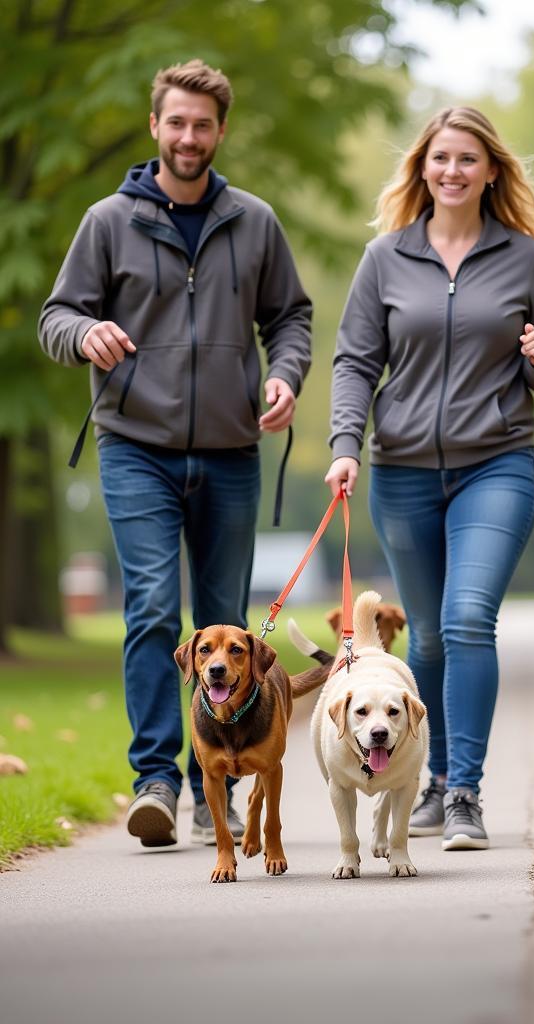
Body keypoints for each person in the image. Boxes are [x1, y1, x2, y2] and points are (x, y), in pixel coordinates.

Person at [39, 60, 312, 848]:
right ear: (155, 126)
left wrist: (286, 376)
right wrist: (84, 333)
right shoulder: (107, 222)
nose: (189, 136)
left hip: (231, 450)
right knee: (155, 607)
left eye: (203, 124)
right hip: (135, 445)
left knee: (223, 621)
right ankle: (156, 777)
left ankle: (210, 781)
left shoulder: (254, 221)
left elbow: (290, 315)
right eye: (176, 122)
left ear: (220, 132)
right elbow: (57, 314)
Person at [325, 106, 534, 850]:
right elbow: (355, 361)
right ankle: (426, 781)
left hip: (495, 461)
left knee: (468, 619)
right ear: (422, 169)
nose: (453, 171)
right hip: (400, 467)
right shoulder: (386, 258)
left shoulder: (523, 256)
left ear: (491, 170)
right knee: (427, 636)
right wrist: (345, 443)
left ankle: (465, 790)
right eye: (440, 159)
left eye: (468, 159)